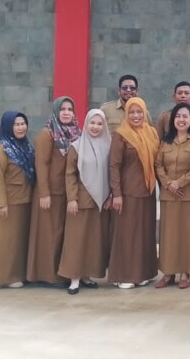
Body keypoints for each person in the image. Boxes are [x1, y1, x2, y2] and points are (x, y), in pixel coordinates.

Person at [27, 96, 80, 287]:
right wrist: (44, 193)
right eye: (63, 109)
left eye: (70, 109)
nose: (66, 113)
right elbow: (41, 164)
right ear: (56, 112)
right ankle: (47, 276)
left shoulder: (75, 133)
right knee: (48, 236)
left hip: (66, 192)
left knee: (60, 235)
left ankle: (61, 272)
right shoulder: (47, 134)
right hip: (50, 193)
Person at [108, 97, 159, 288]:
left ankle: (143, 272)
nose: (136, 116)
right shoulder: (121, 135)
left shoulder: (151, 133)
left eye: (139, 112)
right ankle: (124, 275)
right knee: (127, 234)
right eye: (132, 112)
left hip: (148, 192)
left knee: (144, 234)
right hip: (127, 192)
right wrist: (117, 194)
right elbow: (114, 166)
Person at [59, 109, 112, 295]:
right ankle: (74, 278)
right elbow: (70, 174)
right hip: (81, 201)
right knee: (77, 240)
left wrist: (111, 196)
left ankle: (87, 275)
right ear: (86, 124)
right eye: (92, 123)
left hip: (101, 203)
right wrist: (72, 199)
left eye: (99, 124)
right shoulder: (76, 146)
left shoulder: (109, 146)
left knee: (94, 241)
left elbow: (113, 173)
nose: (95, 127)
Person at [154, 102, 190, 289]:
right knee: (168, 235)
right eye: (178, 116)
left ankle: (185, 272)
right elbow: (158, 165)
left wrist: (180, 183)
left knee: (188, 234)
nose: (181, 120)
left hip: (189, 195)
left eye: (185, 116)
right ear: (172, 119)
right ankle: (168, 273)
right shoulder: (165, 142)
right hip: (169, 196)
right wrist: (169, 183)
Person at [0, 111, 35, 288]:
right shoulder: (1, 149)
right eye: (16, 124)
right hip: (7, 203)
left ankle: (18, 274)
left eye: (23, 124)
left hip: (23, 200)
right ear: (8, 126)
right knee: (5, 242)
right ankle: (3, 277)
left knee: (17, 241)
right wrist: (1, 204)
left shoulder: (25, 146)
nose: (21, 128)